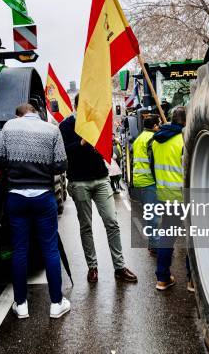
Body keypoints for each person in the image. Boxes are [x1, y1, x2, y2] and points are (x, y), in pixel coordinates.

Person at [0, 103, 71, 318]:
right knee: (50, 249)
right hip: (43, 197)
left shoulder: (9, 127)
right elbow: (61, 165)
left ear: (18, 114)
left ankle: (21, 305)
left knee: (20, 250)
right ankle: (56, 304)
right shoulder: (51, 130)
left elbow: (0, 160)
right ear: (36, 113)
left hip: (16, 197)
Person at [60, 94, 138, 283]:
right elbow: (65, 151)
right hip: (79, 181)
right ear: (75, 106)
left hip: (101, 178)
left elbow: (107, 147)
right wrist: (83, 142)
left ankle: (119, 267)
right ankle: (92, 267)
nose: (87, 109)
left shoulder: (97, 122)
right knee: (86, 226)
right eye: (84, 106)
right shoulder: (66, 125)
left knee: (112, 221)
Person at [150, 107, 187, 291]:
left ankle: (163, 278)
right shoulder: (184, 140)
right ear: (186, 122)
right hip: (183, 196)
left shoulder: (156, 141)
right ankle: (193, 281)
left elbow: (152, 167)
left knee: (167, 236)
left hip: (164, 195)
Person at [132, 114, 161, 253]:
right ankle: (155, 244)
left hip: (140, 180)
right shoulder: (151, 139)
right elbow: (153, 162)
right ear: (155, 126)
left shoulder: (139, 138)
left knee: (150, 214)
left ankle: (153, 242)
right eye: (159, 124)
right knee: (153, 216)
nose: (160, 126)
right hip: (149, 180)